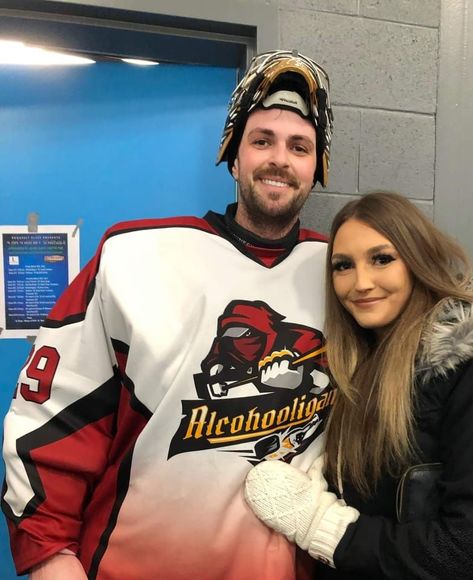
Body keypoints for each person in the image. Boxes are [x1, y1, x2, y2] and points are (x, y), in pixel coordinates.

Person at [2, 50, 335, 580]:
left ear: (317, 168)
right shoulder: (134, 255)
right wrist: (48, 552)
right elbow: (50, 412)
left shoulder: (342, 274)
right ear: (233, 156)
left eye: (300, 147)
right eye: (262, 141)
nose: (280, 159)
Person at [244, 192, 473, 579]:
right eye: (343, 266)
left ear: (418, 259)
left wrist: (325, 528)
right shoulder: (362, 355)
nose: (361, 283)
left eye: (382, 259)